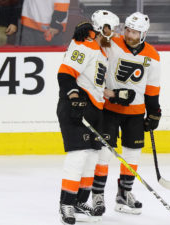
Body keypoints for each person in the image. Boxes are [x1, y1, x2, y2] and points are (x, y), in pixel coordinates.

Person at [57, 10, 134, 225]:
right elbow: (65, 73)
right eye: (112, 28)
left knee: (91, 157)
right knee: (79, 155)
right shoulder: (84, 44)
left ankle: (80, 202)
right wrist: (73, 96)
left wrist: (116, 95)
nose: (115, 33)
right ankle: (66, 203)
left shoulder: (103, 51)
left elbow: (96, 85)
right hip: (75, 107)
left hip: (94, 109)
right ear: (102, 28)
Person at [91, 12, 162, 216]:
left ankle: (124, 195)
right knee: (104, 153)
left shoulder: (153, 55)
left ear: (144, 33)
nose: (130, 35)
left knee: (132, 154)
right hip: (110, 109)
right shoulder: (111, 43)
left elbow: (152, 88)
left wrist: (154, 112)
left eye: (135, 32)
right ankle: (97, 195)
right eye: (128, 30)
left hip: (136, 113)